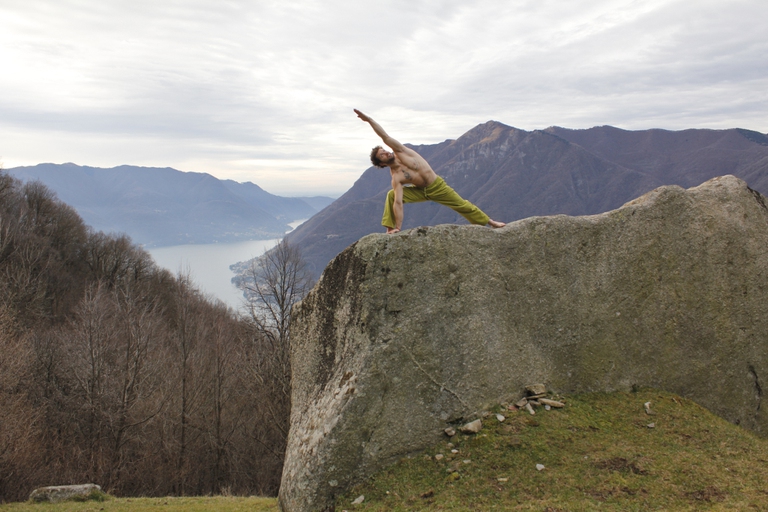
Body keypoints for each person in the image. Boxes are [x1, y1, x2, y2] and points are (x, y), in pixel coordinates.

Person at [354, 109, 506, 234]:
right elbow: (398, 203)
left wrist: (369, 120)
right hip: (420, 191)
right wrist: (398, 228)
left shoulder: (401, 151)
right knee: (391, 195)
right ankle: (390, 229)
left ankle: (490, 222)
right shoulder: (397, 177)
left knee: (462, 205)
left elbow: (385, 136)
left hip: (436, 186)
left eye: (385, 151)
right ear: (382, 163)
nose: (386, 153)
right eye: (382, 155)